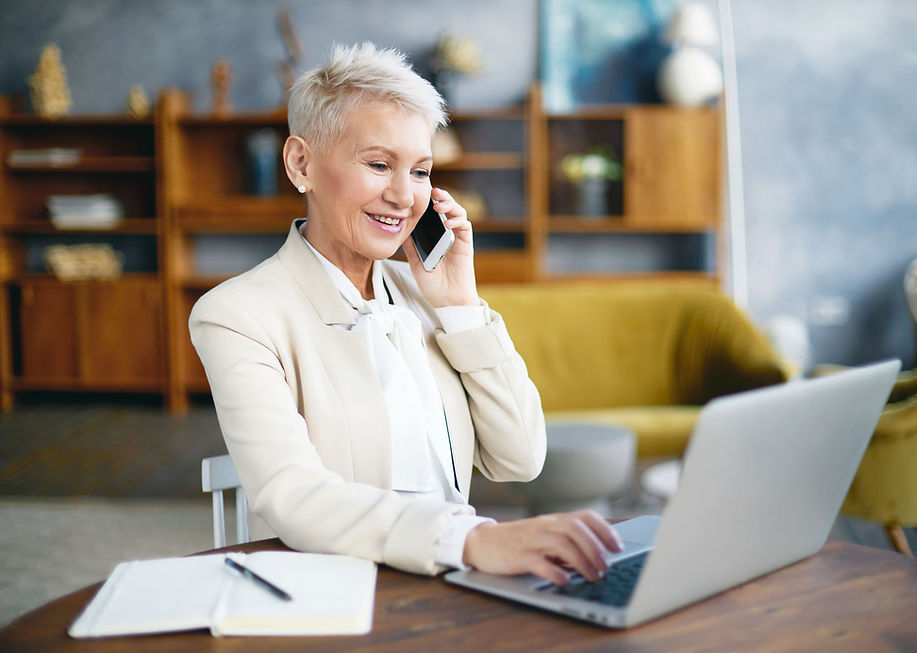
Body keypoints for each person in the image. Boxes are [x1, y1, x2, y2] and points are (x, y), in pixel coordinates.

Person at [189, 42, 622, 586]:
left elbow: (521, 458)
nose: (404, 196)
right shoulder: (237, 315)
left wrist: (459, 305)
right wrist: (471, 539)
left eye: (420, 171)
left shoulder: (426, 296)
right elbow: (293, 494)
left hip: (451, 581)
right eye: (378, 165)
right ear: (301, 163)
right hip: (332, 592)